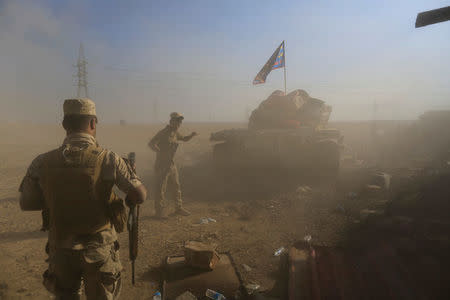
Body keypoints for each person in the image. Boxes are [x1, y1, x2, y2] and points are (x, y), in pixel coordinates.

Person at [19, 98, 147, 300]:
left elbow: (27, 203)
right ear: (93, 123)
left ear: (64, 125)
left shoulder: (42, 161)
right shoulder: (109, 158)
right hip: (98, 250)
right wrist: (132, 175)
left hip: (60, 249)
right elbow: (139, 195)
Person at [148, 112, 197, 218]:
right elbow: (151, 143)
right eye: (177, 121)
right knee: (161, 189)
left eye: (180, 121)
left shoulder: (175, 133)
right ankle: (159, 212)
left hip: (171, 164)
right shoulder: (163, 132)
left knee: (176, 186)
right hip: (162, 165)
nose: (179, 123)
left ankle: (178, 208)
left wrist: (191, 135)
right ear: (171, 121)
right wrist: (157, 150)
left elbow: (184, 138)